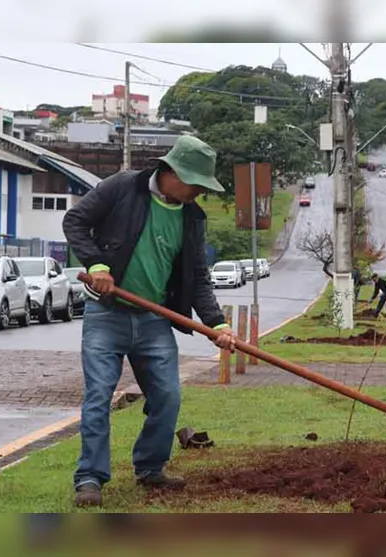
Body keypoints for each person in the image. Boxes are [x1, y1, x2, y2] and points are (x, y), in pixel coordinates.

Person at [62, 135, 237, 508]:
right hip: (107, 314)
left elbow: (198, 278)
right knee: (98, 398)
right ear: (171, 172)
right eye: (195, 184)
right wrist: (97, 265)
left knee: (168, 397)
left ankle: (151, 467)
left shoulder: (192, 217)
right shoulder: (122, 187)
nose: (198, 192)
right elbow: (75, 221)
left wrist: (217, 324)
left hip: (155, 318)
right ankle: (90, 478)